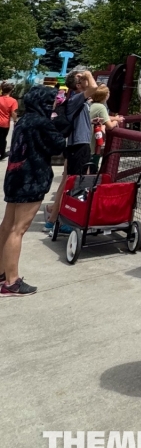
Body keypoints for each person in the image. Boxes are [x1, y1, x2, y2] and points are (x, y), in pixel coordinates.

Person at [0, 85, 66, 296]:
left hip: (15, 176)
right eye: (52, 101)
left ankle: (2, 272)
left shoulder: (24, 120)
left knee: (7, 225)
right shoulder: (42, 122)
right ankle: (12, 282)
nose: (54, 103)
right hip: (32, 178)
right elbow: (57, 146)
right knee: (18, 230)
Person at [47, 69, 98, 230]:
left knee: (69, 181)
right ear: (78, 84)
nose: (85, 81)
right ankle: (63, 220)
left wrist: (90, 122)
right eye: (81, 79)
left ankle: (54, 219)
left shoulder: (75, 100)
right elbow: (95, 88)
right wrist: (88, 73)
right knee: (75, 183)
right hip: (79, 145)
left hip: (75, 144)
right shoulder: (76, 98)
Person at [88, 85, 124, 170]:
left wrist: (114, 118)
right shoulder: (101, 107)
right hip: (91, 143)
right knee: (90, 167)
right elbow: (110, 126)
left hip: (83, 140)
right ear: (106, 95)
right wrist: (117, 120)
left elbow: (105, 117)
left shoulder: (90, 103)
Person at [0, 81, 18, 160]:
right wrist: (15, 121)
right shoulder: (13, 101)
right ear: (11, 91)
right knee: (3, 139)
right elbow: (14, 113)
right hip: (4, 123)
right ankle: (2, 154)